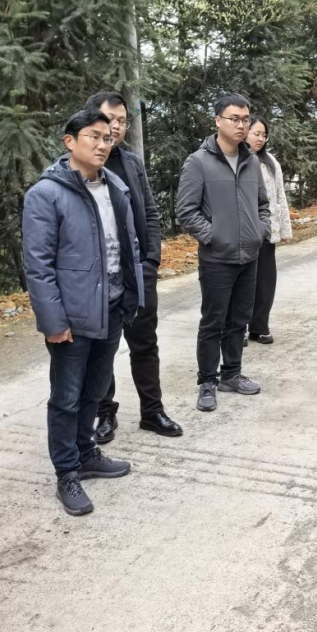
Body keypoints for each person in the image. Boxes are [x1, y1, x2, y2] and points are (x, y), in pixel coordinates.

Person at [22, 107, 144, 516]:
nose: (103, 144)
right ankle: (67, 472)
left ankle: (86, 453)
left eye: (108, 138)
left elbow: (128, 246)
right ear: (69, 141)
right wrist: (53, 322)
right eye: (94, 136)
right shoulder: (46, 194)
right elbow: (38, 266)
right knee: (66, 396)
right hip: (72, 316)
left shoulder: (115, 187)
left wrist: (132, 296)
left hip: (112, 307)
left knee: (96, 389)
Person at [87, 91, 182, 441]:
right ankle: (105, 413)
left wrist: (150, 260)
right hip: (97, 279)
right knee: (102, 349)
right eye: (109, 119)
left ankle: (152, 411)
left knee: (145, 344)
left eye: (122, 121)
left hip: (138, 274)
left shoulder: (132, 163)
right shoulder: (79, 165)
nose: (115, 126)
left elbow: (151, 213)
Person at [175, 93, 270, 412]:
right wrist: (212, 237)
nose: (241, 125)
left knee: (239, 320)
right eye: (234, 119)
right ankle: (207, 381)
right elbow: (186, 210)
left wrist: (260, 231)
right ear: (218, 121)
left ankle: (231, 374)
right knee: (213, 321)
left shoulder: (251, 161)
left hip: (249, 256)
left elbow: (262, 204)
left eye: (245, 119)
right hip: (217, 258)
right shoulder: (198, 162)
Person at [244, 116, 293, 346]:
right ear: (245, 132)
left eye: (264, 135)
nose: (261, 139)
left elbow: (280, 195)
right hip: (243, 233)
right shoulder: (237, 160)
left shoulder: (270, 162)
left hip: (266, 231)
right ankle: (239, 328)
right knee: (244, 283)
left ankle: (259, 326)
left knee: (265, 281)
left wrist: (283, 229)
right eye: (256, 133)